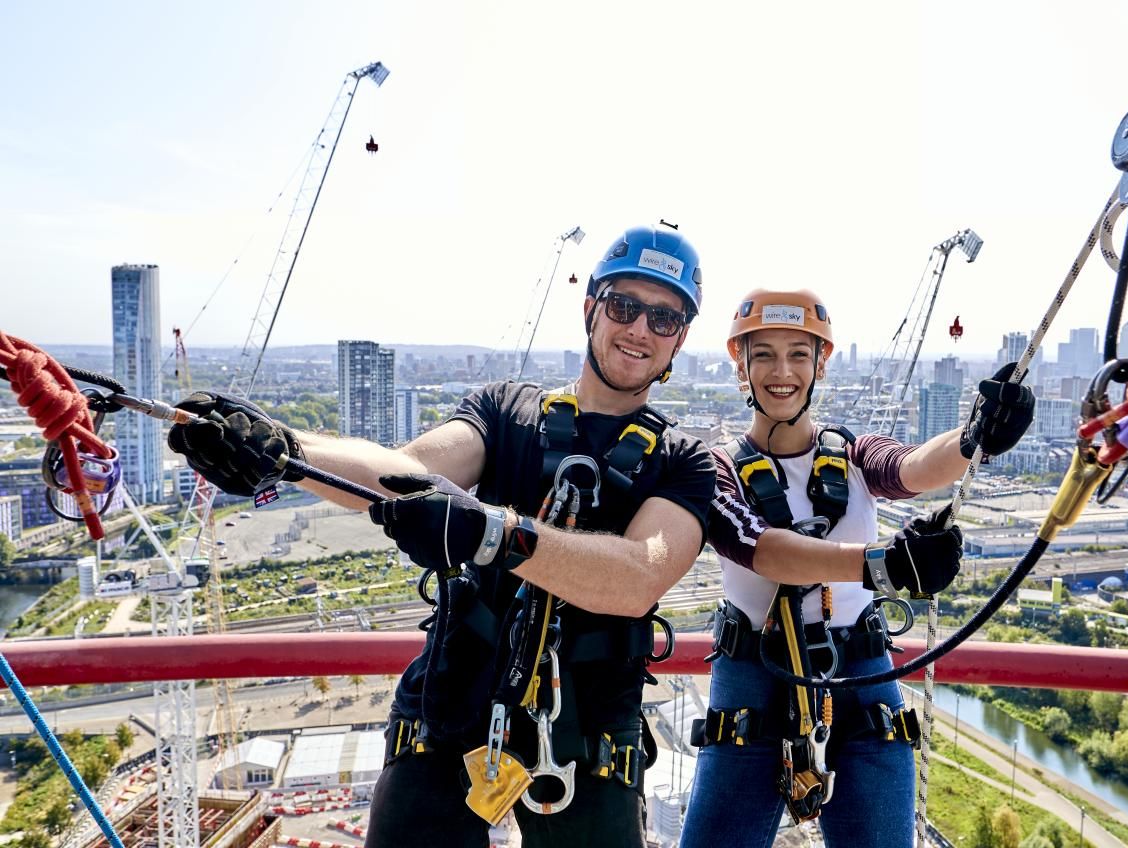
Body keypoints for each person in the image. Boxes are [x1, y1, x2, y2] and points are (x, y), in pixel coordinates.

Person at [167, 223, 716, 847]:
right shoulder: (506, 411)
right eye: (624, 306)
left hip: (589, 742)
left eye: (663, 318)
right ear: (591, 307)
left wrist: (494, 535)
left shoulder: (685, 461)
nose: (640, 329)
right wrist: (286, 450)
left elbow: (636, 579)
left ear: (680, 339)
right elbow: (410, 473)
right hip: (448, 712)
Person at [680, 289, 1035, 848]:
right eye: (765, 354)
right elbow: (762, 548)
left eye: (799, 354)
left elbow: (911, 468)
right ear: (740, 364)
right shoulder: (714, 470)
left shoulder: (850, 454)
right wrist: (883, 567)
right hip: (755, 677)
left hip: (862, 675)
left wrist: (972, 440)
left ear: (822, 362)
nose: (782, 372)